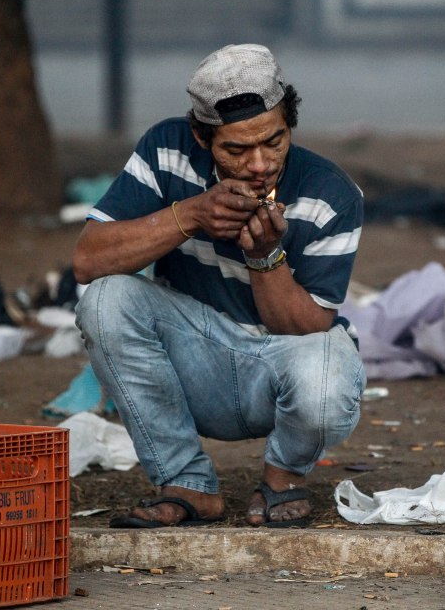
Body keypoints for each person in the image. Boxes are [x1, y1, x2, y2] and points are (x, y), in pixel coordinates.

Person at [73, 44, 365, 528]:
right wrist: (189, 214)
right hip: (194, 357)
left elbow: (309, 326)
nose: (259, 164)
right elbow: (87, 260)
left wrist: (265, 257)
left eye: (274, 141)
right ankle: (186, 482)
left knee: (330, 367)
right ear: (201, 138)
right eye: (236, 149)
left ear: (289, 122)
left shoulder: (331, 192)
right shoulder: (167, 149)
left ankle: (282, 478)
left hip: (281, 363)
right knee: (106, 300)